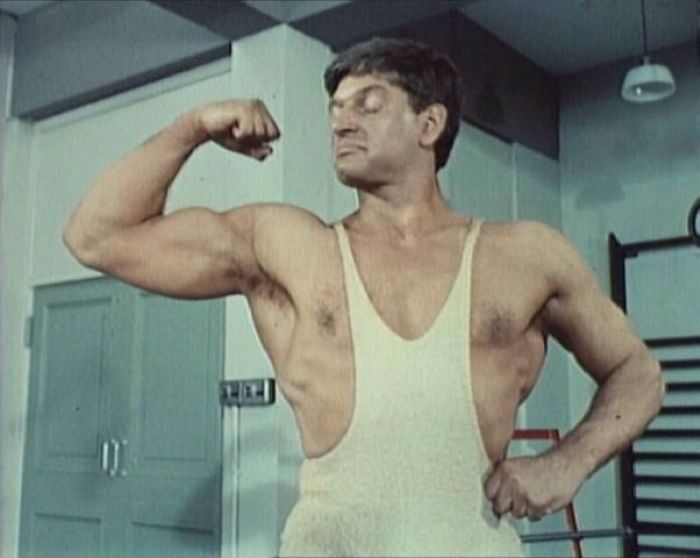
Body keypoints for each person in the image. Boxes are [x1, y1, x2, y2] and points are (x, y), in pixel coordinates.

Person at [63, 37, 665, 557]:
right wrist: (191, 126)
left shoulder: (526, 255)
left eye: (367, 105)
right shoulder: (287, 246)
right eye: (336, 109)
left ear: (429, 125)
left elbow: (638, 372)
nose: (340, 122)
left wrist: (568, 462)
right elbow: (96, 236)